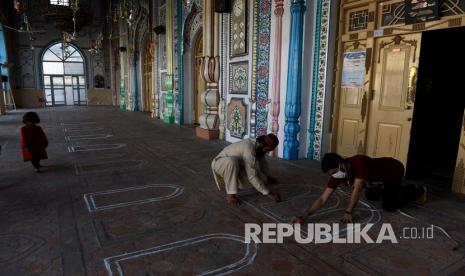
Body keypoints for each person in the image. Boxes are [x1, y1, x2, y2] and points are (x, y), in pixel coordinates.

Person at [293, 153, 427, 224]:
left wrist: (348, 212)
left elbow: (356, 190)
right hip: (375, 180)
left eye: (334, 172)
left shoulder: (359, 162)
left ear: (341, 164)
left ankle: (418, 190)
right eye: (331, 174)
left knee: (389, 205)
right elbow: (323, 198)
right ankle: (389, 189)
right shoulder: (338, 174)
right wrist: (305, 216)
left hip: (393, 171)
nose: (334, 176)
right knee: (370, 195)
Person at [212, 133, 281, 205]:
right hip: (219, 164)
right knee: (232, 161)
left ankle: (234, 182)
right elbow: (251, 176)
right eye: (267, 150)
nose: (268, 152)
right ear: (262, 145)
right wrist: (268, 193)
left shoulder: (259, 148)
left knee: (263, 179)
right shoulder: (250, 148)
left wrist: (268, 177)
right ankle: (230, 194)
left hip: (236, 167)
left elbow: (263, 165)